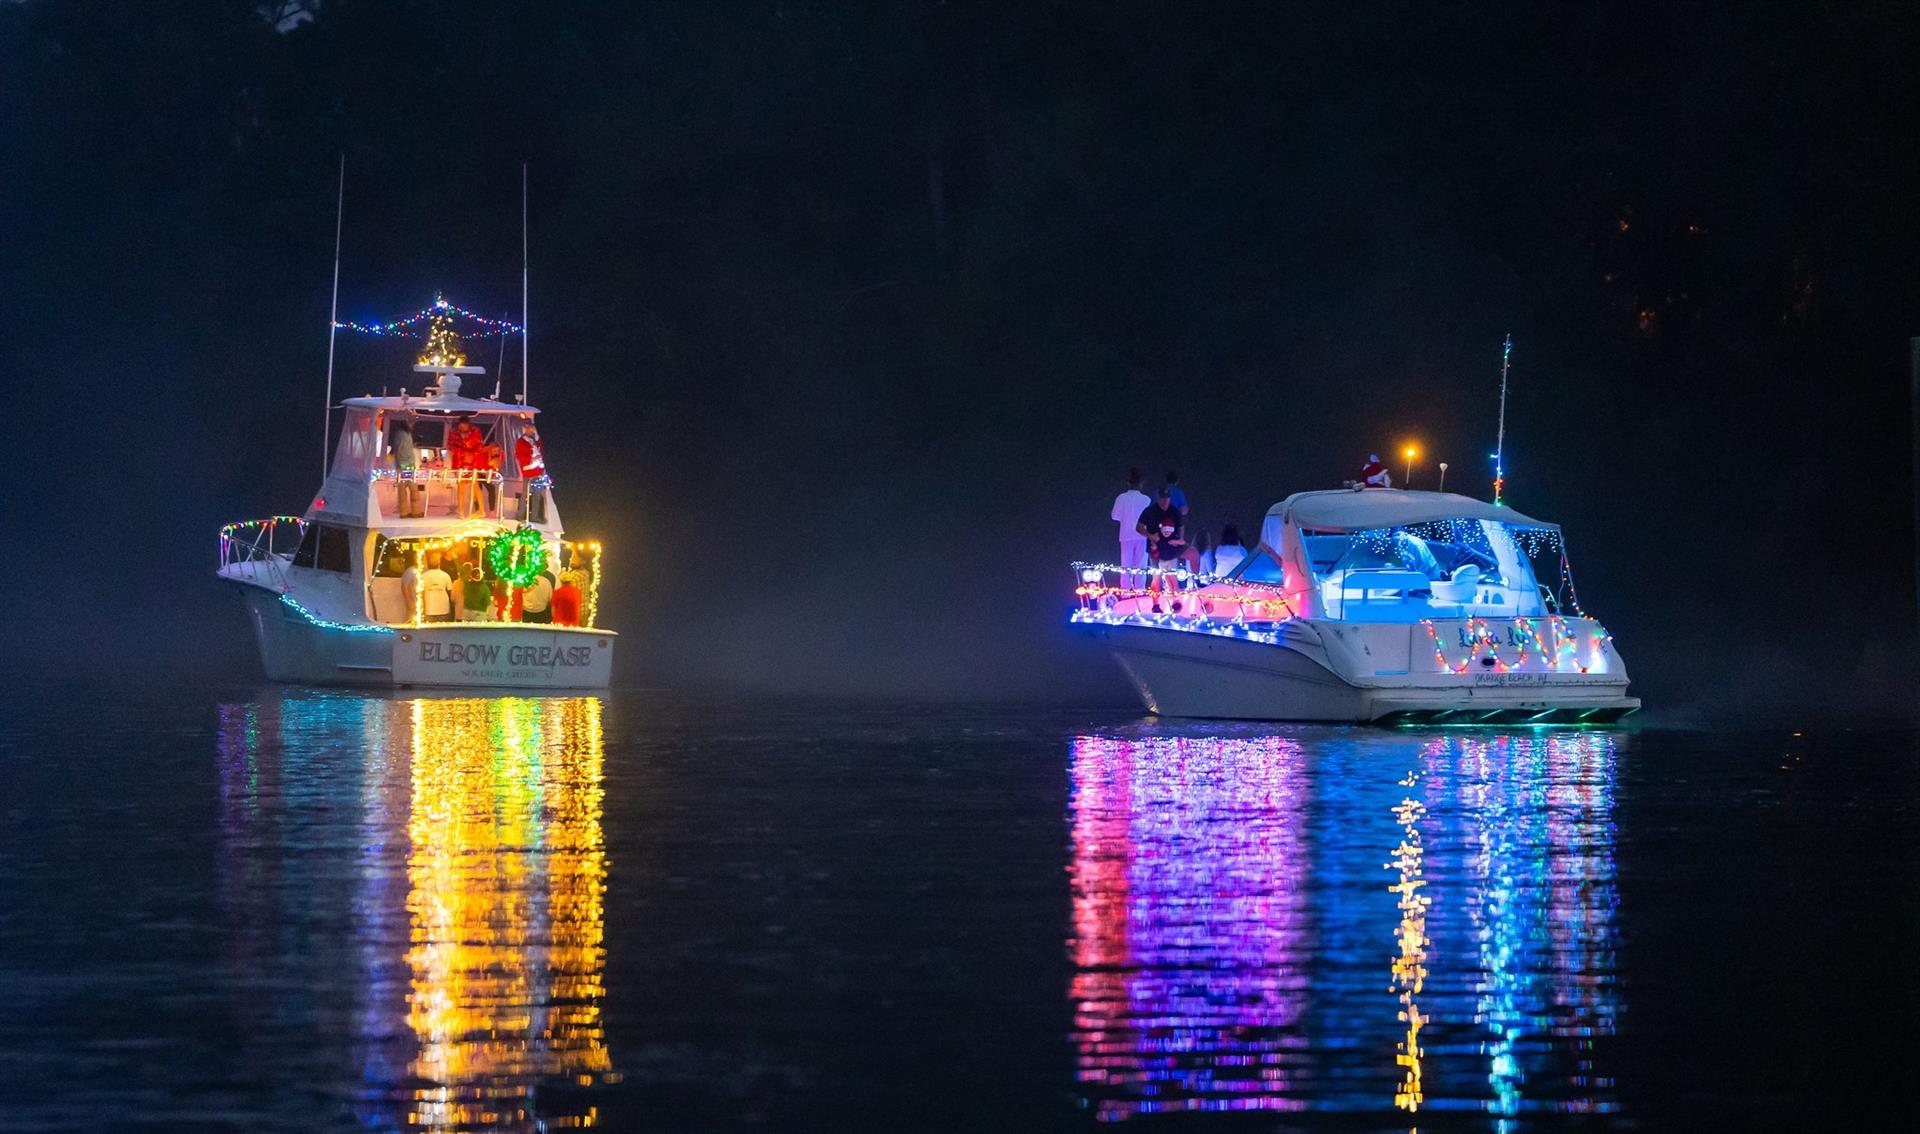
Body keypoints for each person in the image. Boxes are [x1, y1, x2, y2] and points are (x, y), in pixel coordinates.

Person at [1136, 486, 1187, 607]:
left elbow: (1181, 528)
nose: (1165, 501)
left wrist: (1179, 539)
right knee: (1156, 577)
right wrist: (1150, 536)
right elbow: (1139, 527)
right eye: (1162, 498)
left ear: (1169, 498)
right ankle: (1155, 604)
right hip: (1155, 550)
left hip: (1171, 550)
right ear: (1159, 498)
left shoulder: (1175, 511)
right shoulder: (1150, 511)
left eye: (1167, 498)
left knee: (1172, 577)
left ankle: (1175, 603)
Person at [1111, 468, 1151, 587]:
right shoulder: (1146, 499)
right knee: (1141, 565)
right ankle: (1139, 590)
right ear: (1141, 484)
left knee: (1126, 565)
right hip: (1142, 535)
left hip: (1126, 534)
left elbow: (1115, 516)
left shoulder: (1121, 498)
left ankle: (1125, 591)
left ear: (1128, 483)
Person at [448, 414, 486, 518]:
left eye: (464, 426)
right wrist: (464, 452)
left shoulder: (475, 432)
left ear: (468, 425)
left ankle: (481, 510)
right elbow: (451, 446)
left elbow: (479, 446)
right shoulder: (454, 433)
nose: (462, 428)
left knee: (475, 485)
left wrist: (469, 453)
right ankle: (461, 511)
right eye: (461, 426)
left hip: (471, 463)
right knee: (461, 486)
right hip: (459, 463)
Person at [388, 416, 422, 517]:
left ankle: (405, 512)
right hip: (405, 463)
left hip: (406, 463)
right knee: (411, 487)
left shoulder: (405, 433)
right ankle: (413, 511)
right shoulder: (403, 434)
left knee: (405, 488)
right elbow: (398, 449)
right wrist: (398, 464)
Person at [515, 420, 548, 523]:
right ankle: (520, 515)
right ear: (525, 428)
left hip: (538, 472)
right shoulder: (521, 441)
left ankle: (534, 516)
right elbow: (519, 456)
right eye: (528, 427)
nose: (530, 429)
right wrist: (531, 459)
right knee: (525, 494)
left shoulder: (536, 440)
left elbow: (541, 451)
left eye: (531, 427)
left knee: (537, 495)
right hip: (528, 473)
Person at [418, 552, 455, 623]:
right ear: (439, 563)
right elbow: (450, 593)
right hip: (444, 609)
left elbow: (420, 594)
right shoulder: (446, 575)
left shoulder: (423, 576)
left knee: (429, 632)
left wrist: (422, 609)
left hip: (429, 609)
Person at [400, 549, 420, 618]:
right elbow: (404, 587)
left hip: (420, 604)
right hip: (413, 604)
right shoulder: (410, 571)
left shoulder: (421, 571)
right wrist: (409, 603)